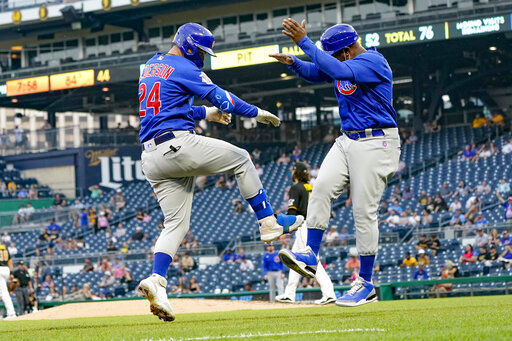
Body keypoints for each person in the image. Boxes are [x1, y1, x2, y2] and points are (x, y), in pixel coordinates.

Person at [136, 23, 303, 321]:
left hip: (152, 156)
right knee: (241, 158)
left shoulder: (151, 66)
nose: (202, 56)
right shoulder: (183, 66)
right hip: (176, 145)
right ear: (188, 45)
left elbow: (168, 107)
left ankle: (157, 281)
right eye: (201, 50)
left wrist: (205, 114)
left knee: (176, 225)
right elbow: (223, 99)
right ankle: (268, 223)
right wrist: (256, 112)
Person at [272, 20, 400, 308]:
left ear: (345, 50)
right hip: (347, 140)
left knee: (363, 211)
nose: (333, 58)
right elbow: (316, 71)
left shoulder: (373, 61)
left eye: (334, 53)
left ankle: (365, 284)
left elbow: (337, 70)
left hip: (376, 140)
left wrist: (305, 43)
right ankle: (309, 256)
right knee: (321, 190)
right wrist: (294, 62)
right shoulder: (343, 60)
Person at [275, 163, 336, 305]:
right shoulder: (312, 187)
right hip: (314, 224)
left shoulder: (296, 187)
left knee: (312, 260)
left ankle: (329, 293)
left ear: (296, 173)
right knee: (295, 259)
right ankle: (290, 294)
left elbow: (292, 211)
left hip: (304, 225)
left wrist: (285, 230)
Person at [0, 241, 16, 318]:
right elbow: (10, 262)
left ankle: (11, 313)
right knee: (2, 292)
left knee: (4, 293)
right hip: (6, 269)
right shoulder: (4, 248)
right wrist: (11, 272)